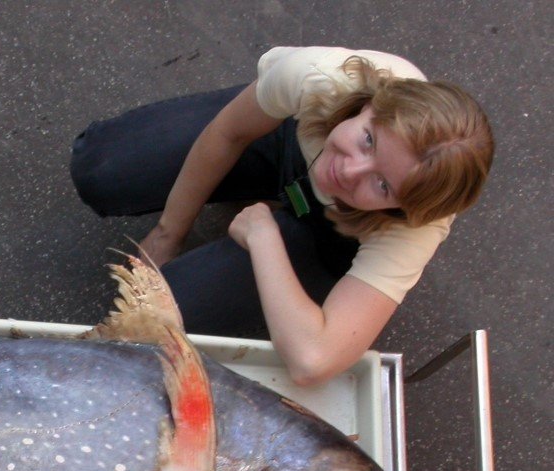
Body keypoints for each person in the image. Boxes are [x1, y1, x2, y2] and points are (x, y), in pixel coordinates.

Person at [70, 46, 493, 386]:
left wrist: (262, 235)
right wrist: (168, 233)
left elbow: (314, 359)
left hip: (336, 231)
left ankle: (284, 218)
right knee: (100, 168)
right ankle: (266, 189)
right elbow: (229, 131)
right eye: (368, 140)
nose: (349, 172)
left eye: (383, 185)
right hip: (290, 137)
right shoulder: (323, 78)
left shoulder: (416, 228)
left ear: (401, 208)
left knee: (170, 307)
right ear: (369, 106)